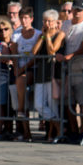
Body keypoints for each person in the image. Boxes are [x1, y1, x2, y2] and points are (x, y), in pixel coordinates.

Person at [58, 0, 83, 142]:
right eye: (75, 9)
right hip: (68, 69)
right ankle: (73, 131)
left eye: (80, 10)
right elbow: (61, 41)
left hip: (82, 67)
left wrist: (68, 57)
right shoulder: (66, 24)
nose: (77, 12)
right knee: (69, 101)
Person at [32, 11, 65, 142]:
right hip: (42, 73)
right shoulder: (42, 35)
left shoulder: (60, 34)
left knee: (53, 105)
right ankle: (59, 126)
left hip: (53, 74)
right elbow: (34, 52)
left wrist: (48, 36)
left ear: (56, 22)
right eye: (45, 21)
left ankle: (53, 134)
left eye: (49, 21)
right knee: (38, 104)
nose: (46, 24)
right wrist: (43, 36)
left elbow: (52, 50)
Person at [10, 7, 41, 141]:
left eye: (26, 18)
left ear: (32, 19)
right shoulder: (16, 34)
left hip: (33, 68)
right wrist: (17, 68)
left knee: (21, 81)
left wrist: (21, 70)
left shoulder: (38, 34)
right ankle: (26, 131)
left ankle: (21, 108)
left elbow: (36, 56)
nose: (23, 20)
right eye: (21, 17)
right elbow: (14, 53)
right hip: (19, 69)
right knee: (19, 87)